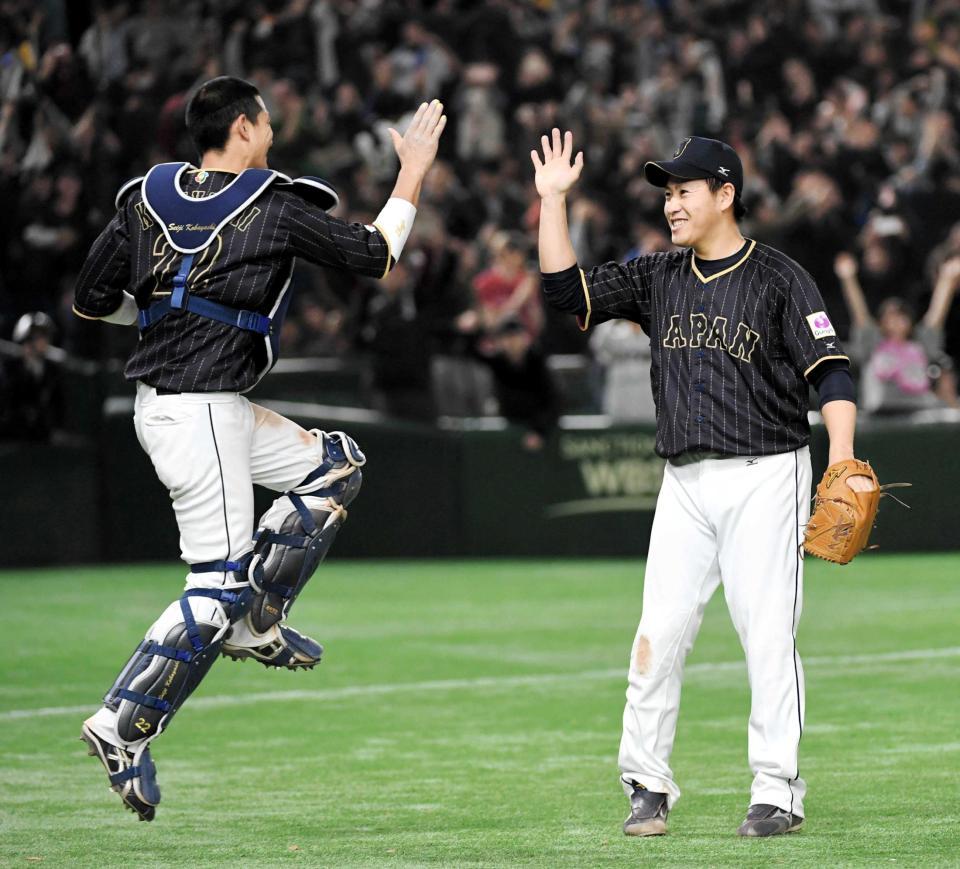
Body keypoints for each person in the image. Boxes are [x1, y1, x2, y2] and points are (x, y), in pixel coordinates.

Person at [72, 76, 445, 821]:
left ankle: (260, 620)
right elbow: (373, 254)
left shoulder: (142, 196)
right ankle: (121, 726)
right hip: (199, 410)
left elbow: (89, 297)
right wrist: (413, 170)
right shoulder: (271, 204)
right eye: (266, 121)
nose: (272, 130)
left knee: (332, 465)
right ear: (242, 127)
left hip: (197, 405)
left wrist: (159, 318)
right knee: (211, 590)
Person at [532, 131, 875, 838]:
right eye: (666, 191)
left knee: (766, 637)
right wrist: (553, 201)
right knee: (656, 634)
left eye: (684, 189)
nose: (672, 203)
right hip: (683, 482)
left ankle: (777, 789)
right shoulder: (659, 274)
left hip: (765, 473)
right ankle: (646, 784)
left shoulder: (780, 276)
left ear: (725, 195)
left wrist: (840, 455)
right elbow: (567, 291)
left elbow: (831, 370)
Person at [834, 252, 959, 412]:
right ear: (881, 323)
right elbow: (859, 313)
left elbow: (936, 315)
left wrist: (947, 279)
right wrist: (848, 278)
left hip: (919, 412)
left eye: (900, 317)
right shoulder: (873, 343)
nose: (894, 323)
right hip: (879, 414)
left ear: (910, 321)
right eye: (889, 318)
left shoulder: (920, 344)